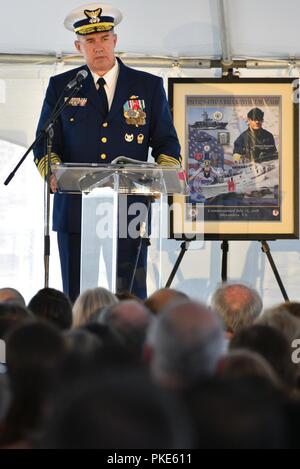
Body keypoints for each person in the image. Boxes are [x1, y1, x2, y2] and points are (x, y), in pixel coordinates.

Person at [33, 3, 181, 303]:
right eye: (90, 41)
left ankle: (132, 346)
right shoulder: (62, 86)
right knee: (75, 295)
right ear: (78, 46)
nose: (98, 47)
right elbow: (45, 143)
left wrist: (159, 179)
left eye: (103, 39)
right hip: (75, 209)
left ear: (115, 40)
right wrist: (52, 171)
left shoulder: (148, 86)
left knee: (130, 297)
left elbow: (167, 143)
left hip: (129, 209)